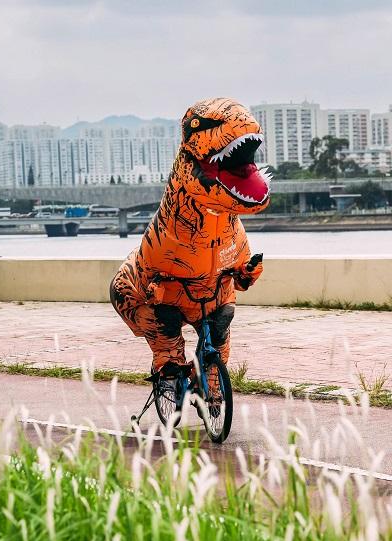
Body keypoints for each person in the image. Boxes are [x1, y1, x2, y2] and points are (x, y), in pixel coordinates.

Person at [110, 97, 272, 381]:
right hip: (167, 296)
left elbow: (241, 280)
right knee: (161, 325)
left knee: (220, 332)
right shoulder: (163, 237)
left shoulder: (233, 231)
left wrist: (247, 272)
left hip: (212, 295)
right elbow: (144, 278)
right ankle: (167, 363)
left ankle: (212, 391)